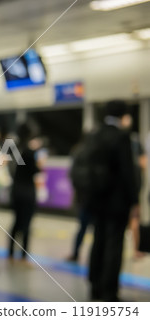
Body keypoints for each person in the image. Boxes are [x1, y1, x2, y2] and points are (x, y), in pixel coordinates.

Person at [87, 100, 139, 302]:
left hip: (96, 200)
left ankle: (95, 286)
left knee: (98, 242)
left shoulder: (94, 135)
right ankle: (110, 292)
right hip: (117, 202)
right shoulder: (121, 137)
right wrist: (135, 200)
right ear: (123, 115)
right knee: (114, 245)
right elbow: (127, 172)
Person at [8, 123, 42, 266]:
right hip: (28, 190)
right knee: (27, 223)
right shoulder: (29, 151)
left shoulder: (13, 149)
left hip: (15, 189)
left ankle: (10, 253)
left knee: (16, 221)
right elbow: (35, 170)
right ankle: (23, 255)